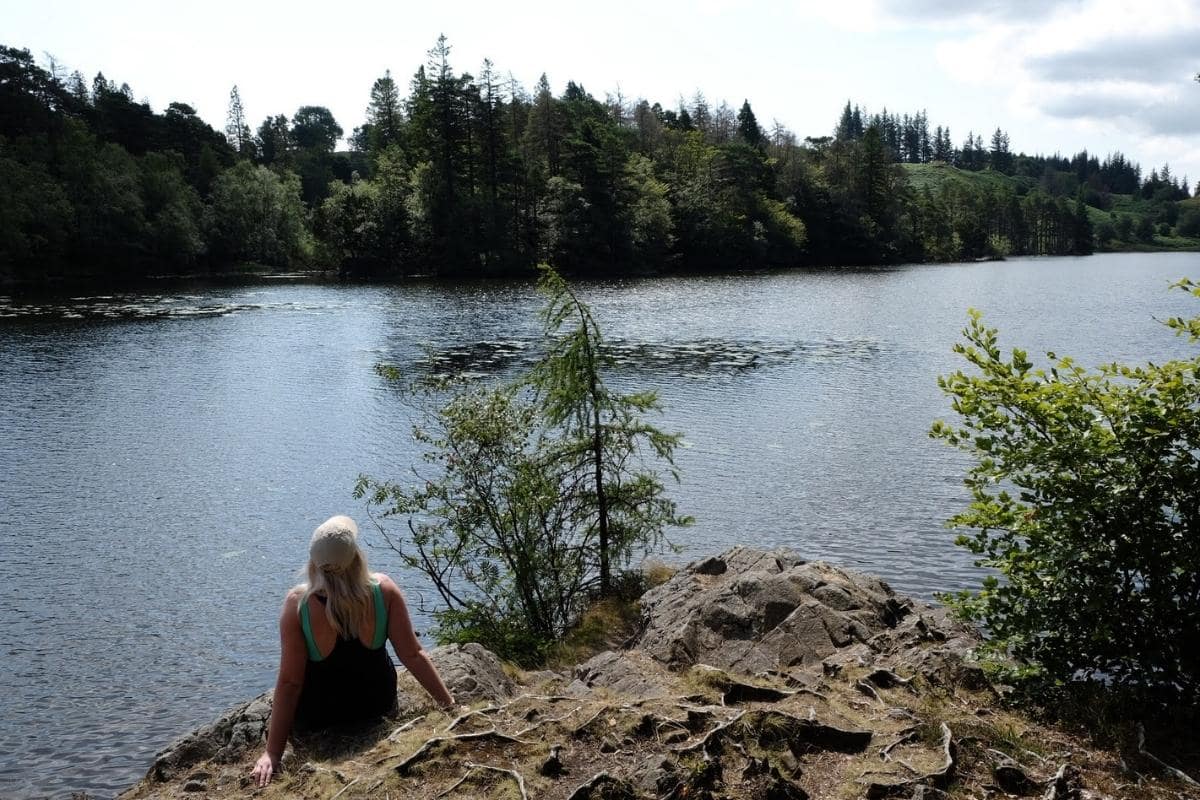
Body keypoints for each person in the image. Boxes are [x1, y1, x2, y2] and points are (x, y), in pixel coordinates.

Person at [252, 515, 455, 786]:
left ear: (314, 564)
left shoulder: (298, 606)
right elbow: (412, 655)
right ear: (357, 556)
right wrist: (449, 705)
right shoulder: (384, 591)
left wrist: (272, 753)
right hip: (375, 705)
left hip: (318, 717)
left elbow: (290, 682)